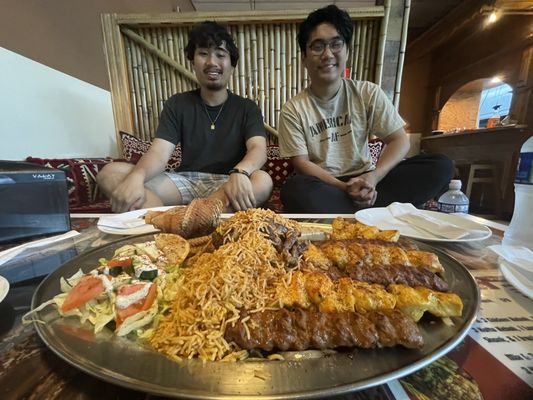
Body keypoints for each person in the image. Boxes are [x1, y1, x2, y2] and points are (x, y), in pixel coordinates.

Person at [278, 5, 454, 213]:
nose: (327, 54)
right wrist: (344, 187)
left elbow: (399, 140)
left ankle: (355, 209)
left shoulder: (367, 93)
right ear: (304, 58)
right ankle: (376, 211)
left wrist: (373, 178)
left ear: (347, 51)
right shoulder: (294, 108)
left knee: (440, 166)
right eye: (317, 46)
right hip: (326, 185)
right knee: (294, 189)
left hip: (369, 180)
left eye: (336, 44)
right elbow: (301, 164)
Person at [97, 21, 272, 213]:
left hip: (229, 181)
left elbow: (258, 149)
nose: (212, 62)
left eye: (220, 55)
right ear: (193, 61)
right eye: (203, 53)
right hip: (184, 181)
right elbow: (159, 153)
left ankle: (194, 216)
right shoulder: (178, 104)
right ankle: (162, 219)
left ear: (232, 65)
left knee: (262, 180)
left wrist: (240, 172)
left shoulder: (247, 107)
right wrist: (136, 177)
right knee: (110, 173)